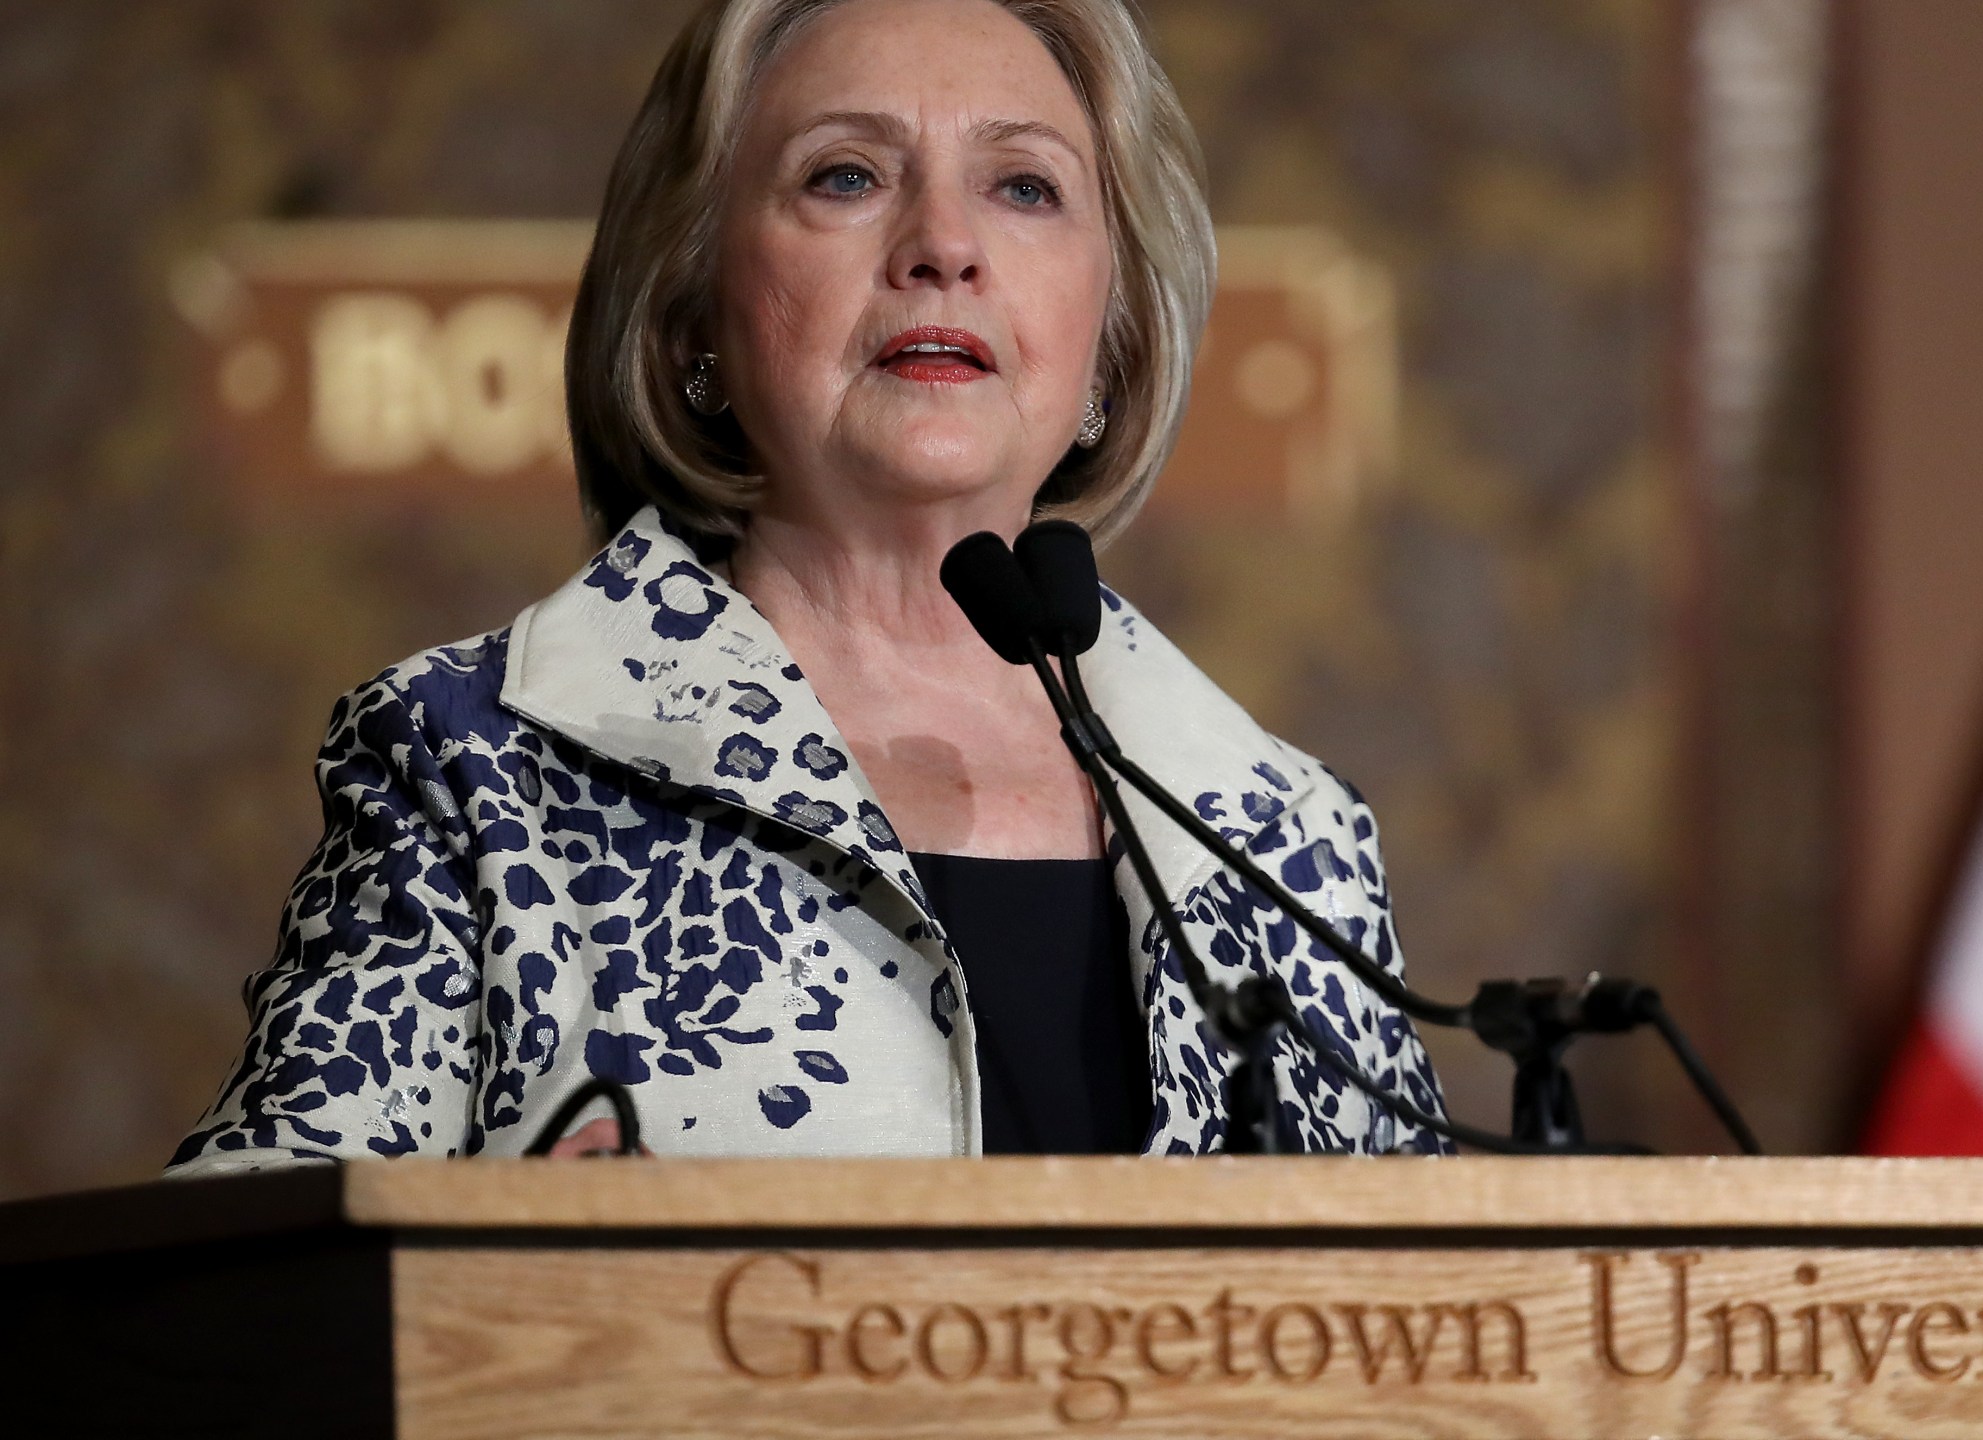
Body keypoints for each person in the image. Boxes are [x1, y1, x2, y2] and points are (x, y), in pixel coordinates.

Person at [166, 0, 1448, 1172]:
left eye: (1024, 186)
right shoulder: (472, 768)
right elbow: (243, 1305)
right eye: (846, 175)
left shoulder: (1289, 843)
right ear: (692, 318)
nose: (943, 245)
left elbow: (1436, 1351)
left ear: (1112, 339)